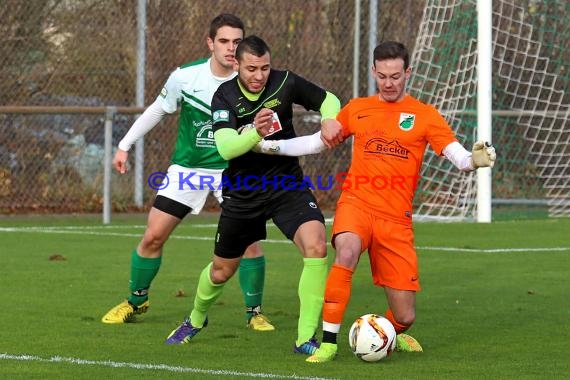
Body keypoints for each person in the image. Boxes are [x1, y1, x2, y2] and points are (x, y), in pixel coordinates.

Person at [253, 41, 497, 363]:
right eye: (382, 76)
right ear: (373, 72)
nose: (389, 83)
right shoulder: (358, 108)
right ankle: (328, 342)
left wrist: (474, 160)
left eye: (395, 76)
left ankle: (388, 333)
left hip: (396, 219)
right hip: (357, 203)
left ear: (407, 73)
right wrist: (271, 147)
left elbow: (458, 157)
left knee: (406, 315)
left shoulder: (425, 116)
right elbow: (316, 143)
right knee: (347, 251)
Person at [163, 35, 344, 356]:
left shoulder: (285, 81)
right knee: (221, 271)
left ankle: (305, 338)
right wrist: (255, 133)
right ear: (236, 64)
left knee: (316, 245)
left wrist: (330, 118)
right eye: (251, 69)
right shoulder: (225, 96)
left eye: (264, 68)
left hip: (286, 184)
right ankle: (196, 318)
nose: (259, 75)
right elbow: (226, 146)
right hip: (243, 192)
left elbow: (328, 98)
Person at [101, 14, 275, 332]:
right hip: (189, 168)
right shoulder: (185, 77)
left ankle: (254, 313)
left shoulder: (255, 81)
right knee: (153, 235)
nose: (230, 48)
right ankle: (136, 300)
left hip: (233, 170)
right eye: (223, 41)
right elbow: (158, 108)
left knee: (249, 242)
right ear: (210, 43)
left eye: (237, 42)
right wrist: (124, 145)